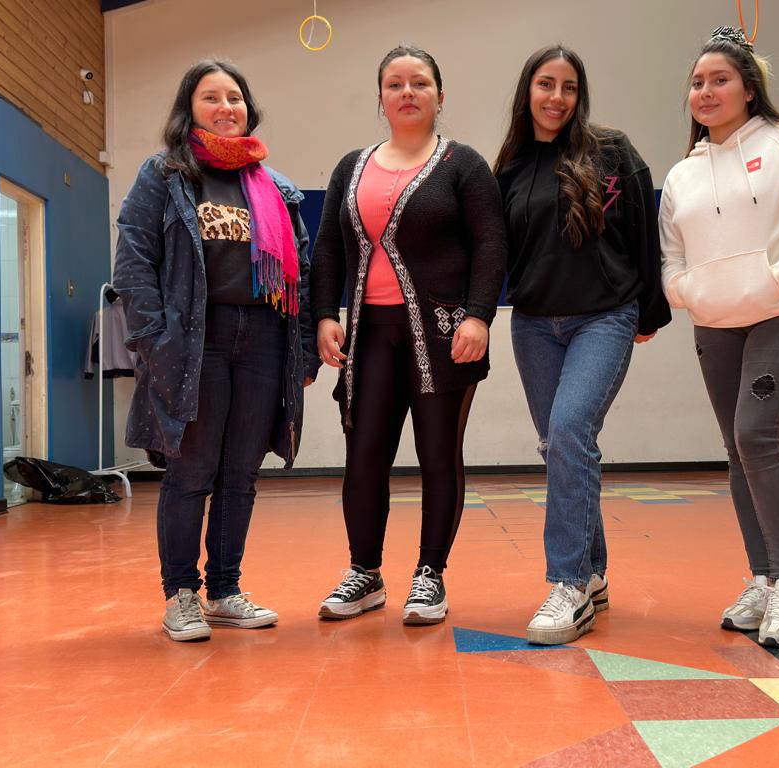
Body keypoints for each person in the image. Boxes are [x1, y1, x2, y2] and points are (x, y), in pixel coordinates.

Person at [659, 27, 779, 646]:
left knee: (756, 434)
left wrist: (777, 277)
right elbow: (671, 257)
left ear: (749, 87)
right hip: (715, 322)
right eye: (697, 82)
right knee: (736, 446)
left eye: (719, 79)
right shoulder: (683, 174)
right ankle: (764, 579)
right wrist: (688, 293)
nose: (705, 91)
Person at [113, 60, 316, 642]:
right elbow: (134, 262)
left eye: (235, 97)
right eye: (211, 97)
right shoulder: (165, 175)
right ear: (189, 109)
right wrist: (154, 341)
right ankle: (181, 593)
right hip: (194, 339)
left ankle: (225, 590)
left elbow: (302, 274)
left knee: (240, 473)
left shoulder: (276, 187)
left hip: (265, 341)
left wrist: (302, 349)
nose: (226, 107)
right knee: (192, 470)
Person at [312, 45, 506, 626]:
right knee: (364, 452)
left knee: (437, 453)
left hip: (444, 337)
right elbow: (327, 248)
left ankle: (430, 574)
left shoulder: (464, 165)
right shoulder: (351, 166)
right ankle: (365, 572)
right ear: (381, 98)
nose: (407, 93)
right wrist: (323, 315)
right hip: (369, 334)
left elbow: (491, 243)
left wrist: (479, 316)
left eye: (419, 83)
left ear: (440, 96)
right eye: (394, 84)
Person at [494, 45, 671, 645]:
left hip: (605, 317)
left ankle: (567, 585)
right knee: (561, 445)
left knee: (570, 430)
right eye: (546, 84)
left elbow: (645, 232)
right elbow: (494, 254)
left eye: (569, 87)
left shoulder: (612, 151)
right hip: (534, 325)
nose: (557, 97)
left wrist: (650, 309)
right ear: (528, 90)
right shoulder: (509, 168)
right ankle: (593, 571)